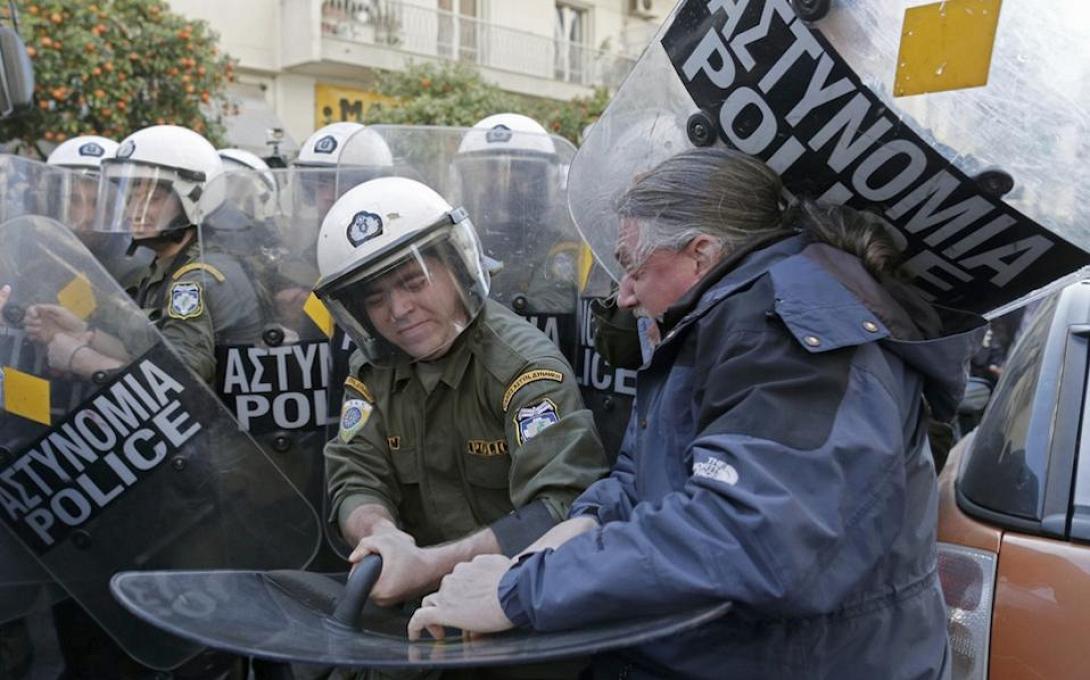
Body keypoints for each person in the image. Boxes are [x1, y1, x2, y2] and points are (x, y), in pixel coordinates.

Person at [407, 147, 984, 679]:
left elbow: (755, 537)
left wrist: (520, 590)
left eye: (633, 267)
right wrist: (573, 531)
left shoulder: (788, 336)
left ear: (701, 252)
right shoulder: (714, 320)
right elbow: (647, 475)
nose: (625, 294)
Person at [314, 176, 608, 610]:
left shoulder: (522, 370)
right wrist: (380, 534)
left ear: (457, 266)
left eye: (414, 283)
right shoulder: (373, 372)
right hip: (407, 617)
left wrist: (429, 565)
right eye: (376, 299)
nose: (398, 310)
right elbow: (355, 472)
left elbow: (562, 506)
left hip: (516, 609)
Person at [29, 125, 263, 385]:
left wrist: (83, 360)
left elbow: (182, 378)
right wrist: (86, 333)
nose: (134, 211)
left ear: (194, 200)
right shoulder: (166, 266)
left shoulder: (195, 278)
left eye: (153, 199)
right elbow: (153, 348)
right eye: (132, 197)